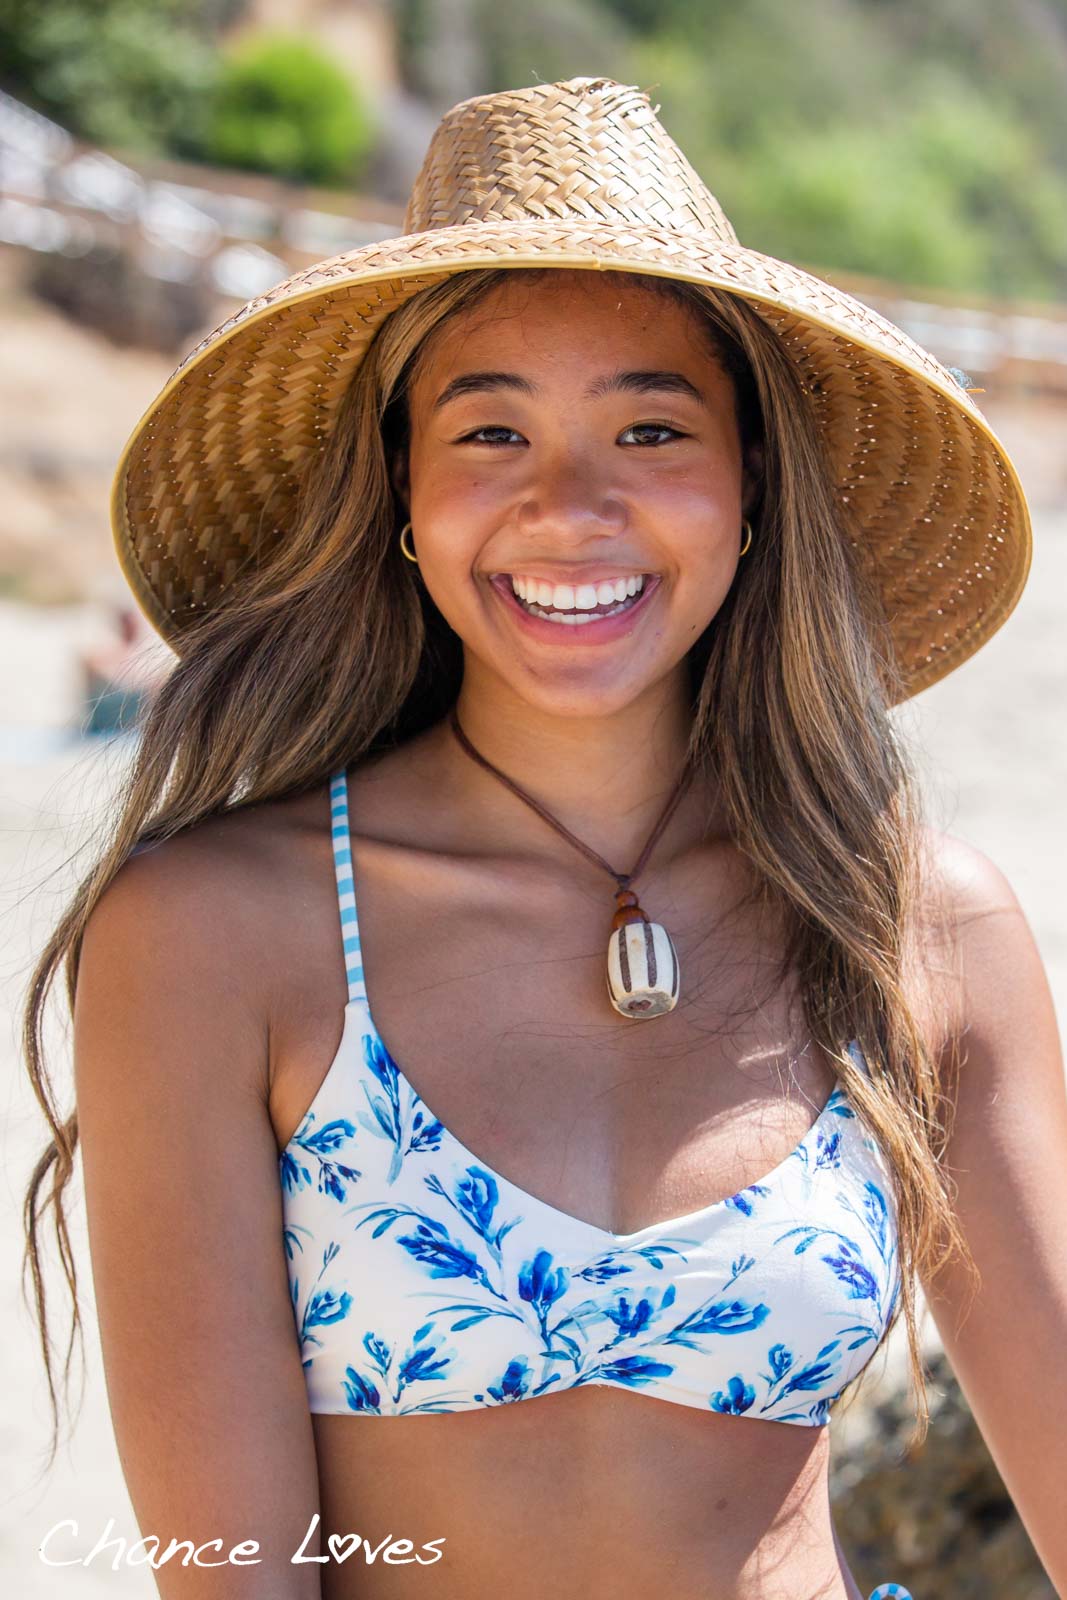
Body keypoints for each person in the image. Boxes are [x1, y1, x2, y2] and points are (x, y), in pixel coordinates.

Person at [21, 77, 1067, 1600]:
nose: (570, 506)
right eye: (491, 430)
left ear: (752, 484)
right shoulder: (216, 936)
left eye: (651, 426)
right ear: (401, 488)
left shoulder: (912, 926)